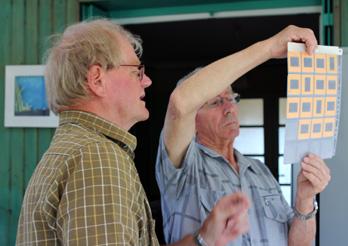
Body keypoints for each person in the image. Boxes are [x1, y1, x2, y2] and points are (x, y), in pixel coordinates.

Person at [16, 19, 250, 246]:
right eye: (136, 71)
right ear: (97, 79)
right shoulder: (97, 158)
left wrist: (203, 238)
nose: (147, 81)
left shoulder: (78, 150)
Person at [155, 25, 331, 245]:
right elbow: (180, 104)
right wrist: (269, 48)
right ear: (193, 120)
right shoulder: (183, 167)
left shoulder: (260, 171)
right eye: (217, 102)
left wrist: (305, 199)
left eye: (232, 98)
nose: (229, 108)